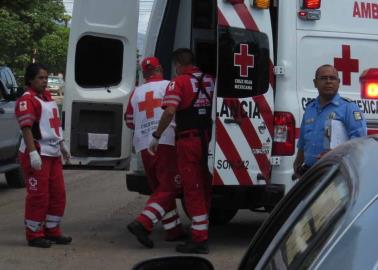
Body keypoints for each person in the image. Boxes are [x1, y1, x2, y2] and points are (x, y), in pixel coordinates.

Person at [149, 48, 215, 254]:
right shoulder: (211, 80)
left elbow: (169, 111)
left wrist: (157, 136)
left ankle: (199, 239)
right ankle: (203, 229)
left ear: (178, 64)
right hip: (208, 140)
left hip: (188, 142)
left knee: (192, 188)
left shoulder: (179, 82)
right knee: (204, 186)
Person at [125, 57, 184, 248]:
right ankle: (144, 222)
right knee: (170, 187)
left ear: (144, 74)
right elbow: (175, 111)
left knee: (160, 188)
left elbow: (129, 121)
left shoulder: (136, 93)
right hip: (164, 141)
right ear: (160, 68)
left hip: (143, 145)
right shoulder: (169, 86)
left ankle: (173, 230)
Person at [15, 63, 72, 248]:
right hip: (38, 152)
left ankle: (52, 230)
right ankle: (34, 234)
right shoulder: (27, 100)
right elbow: (26, 128)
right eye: (40, 78)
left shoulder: (46, 97)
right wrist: (32, 153)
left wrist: (62, 144)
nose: (44, 81)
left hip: (53, 152)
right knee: (39, 195)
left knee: (58, 194)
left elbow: (53, 125)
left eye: (46, 77)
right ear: (30, 80)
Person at [293, 64, 367, 177]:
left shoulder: (349, 108)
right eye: (323, 78)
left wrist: (335, 155)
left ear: (338, 82)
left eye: (332, 78)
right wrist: (298, 161)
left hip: (335, 173)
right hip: (309, 172)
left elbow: (359, 142)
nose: (328, 81)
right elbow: (303, 140)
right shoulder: (310, 108)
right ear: (315, 83)